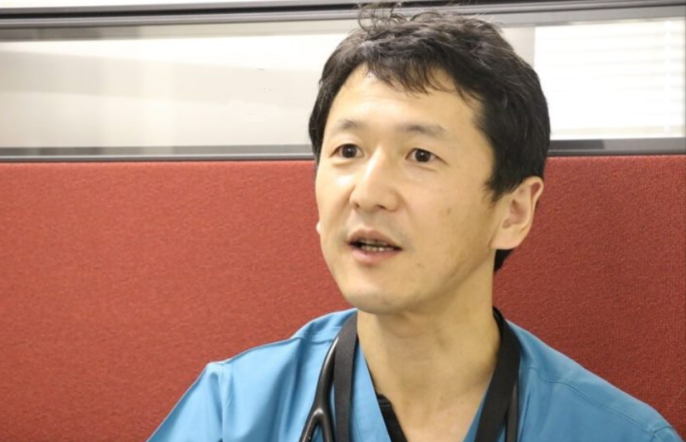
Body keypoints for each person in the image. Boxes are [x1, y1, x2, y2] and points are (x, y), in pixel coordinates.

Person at [147, 5, 682, 442]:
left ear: (513, 211)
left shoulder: (615, 433)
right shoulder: (233, 412)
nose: (367, 193)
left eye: (421, 155)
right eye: (348, 150)